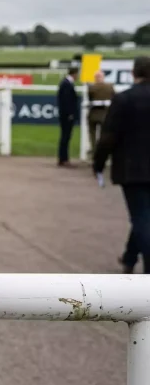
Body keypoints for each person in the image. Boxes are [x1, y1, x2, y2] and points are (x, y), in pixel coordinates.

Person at [93, 56, 150, 274]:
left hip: (132, 169)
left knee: (142, 218)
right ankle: (129, 257)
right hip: (136, 169)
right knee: (144, 216)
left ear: (134, 73)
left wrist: (98, 164)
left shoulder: (124, 99)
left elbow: (108, 137)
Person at [57, 66, 80, 166]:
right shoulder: (66, 84)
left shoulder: (66, 83)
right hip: (67, 115)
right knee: (65, 137)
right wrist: (70, 114)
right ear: (74, 74)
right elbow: (67, 101)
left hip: (66, 114)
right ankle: (63, 159)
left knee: (65, 136)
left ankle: (63, 158)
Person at [87, 70, 115, 151]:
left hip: (93, 115)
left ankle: (94, 152)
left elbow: (90, 99)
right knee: (105, 135)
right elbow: (114, 97)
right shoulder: (110, 87)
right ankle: (103, 153)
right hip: (105, 115)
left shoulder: (91, 88)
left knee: (92, 135)